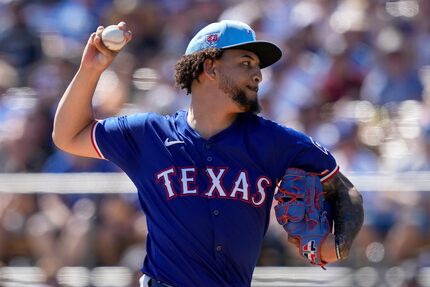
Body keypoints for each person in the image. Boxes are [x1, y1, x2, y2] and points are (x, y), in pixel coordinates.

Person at [53, 20, 364, 287]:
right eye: (245, 63)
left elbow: (344, 190)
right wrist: (90, 70)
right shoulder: (150, 134)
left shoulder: (274, 141)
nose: (258, 75)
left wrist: (338, 247)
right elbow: (68, 136)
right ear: (209, 68)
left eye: (258, 66)